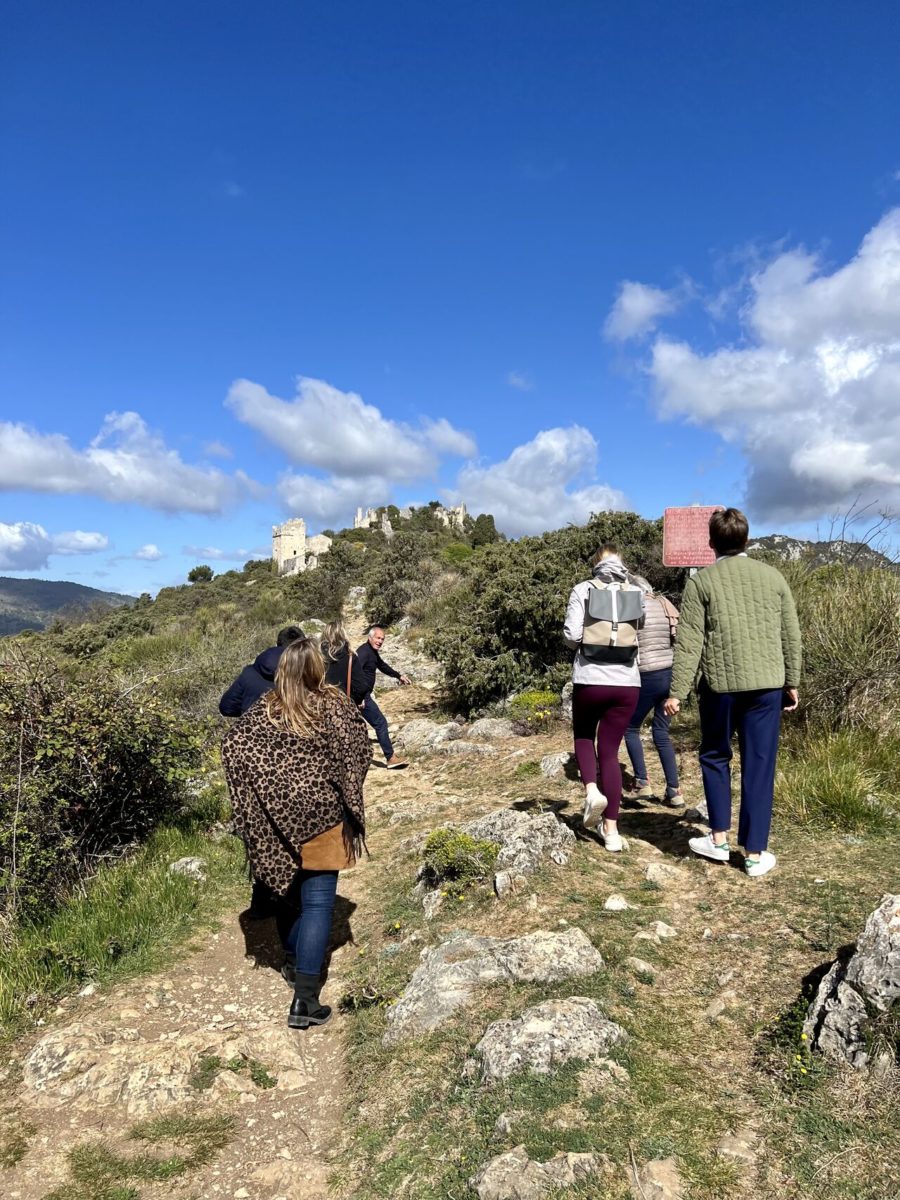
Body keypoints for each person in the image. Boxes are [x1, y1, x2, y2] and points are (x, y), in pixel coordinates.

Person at [221, 639, 369, 1030]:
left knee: (288, 901)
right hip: (325, 819)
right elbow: (357, 749)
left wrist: (261, 797)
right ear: (316, 668)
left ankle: (290, 960)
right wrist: (343, 788)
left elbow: (232, 745)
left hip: (275, 823)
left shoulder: (263, 710)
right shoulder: (334, 704)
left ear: (284, 669)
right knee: (319, 905)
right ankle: (305, 1000)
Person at [664, 507, 801, 878]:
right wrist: (792, 681)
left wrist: (677, 691)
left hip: (720, 688)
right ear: (747, 539)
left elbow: (689, 641)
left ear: (711, 543)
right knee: (759, 764)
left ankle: (719, 840)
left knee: (714, 756)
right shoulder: (773, 578)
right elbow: (790, 634)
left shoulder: (701, 583)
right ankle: (755, 854)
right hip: (767, 686)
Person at [563, 544, 645, 851]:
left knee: (584, 736)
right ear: (621, 564)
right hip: (627, 682)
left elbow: (571, 635)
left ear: (596, 565)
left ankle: (592, 790)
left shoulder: (583, 589)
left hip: (591, 678)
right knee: (610, 751)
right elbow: (641, 628)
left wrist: (587, 644)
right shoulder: (635, 592)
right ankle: (611, 831)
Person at [623, 589, 684, 806]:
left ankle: (642, 782)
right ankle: (674, 790)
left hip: (646, 674)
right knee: (661, 732)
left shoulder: (631, 605)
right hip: (670, 671)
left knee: (630, 728)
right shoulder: (663, 603)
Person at [355, 624, 411, 769]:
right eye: (377, 638)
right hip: (361, 696)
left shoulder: (371, 652)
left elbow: (382, 665)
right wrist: (359, 697)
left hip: (362, 695)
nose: (380, 641)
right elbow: (355, 673)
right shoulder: (363, 652)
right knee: (380, 723)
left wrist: (399, 676)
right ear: (370, 637)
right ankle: (390, 758)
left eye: (382, 639)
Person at [218, 626, 306, 716]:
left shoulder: (250, 672)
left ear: (278, 643)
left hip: (251, 728)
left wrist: (248, 714)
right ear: (302, 648)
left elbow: (226, 707)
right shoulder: (305, 676)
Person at [321, 620, 368, 705]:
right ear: (343, 635)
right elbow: (361, 687)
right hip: (343, 708)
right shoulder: (350, 657)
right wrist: (357, 700)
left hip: (322, 707)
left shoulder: (318, 658)